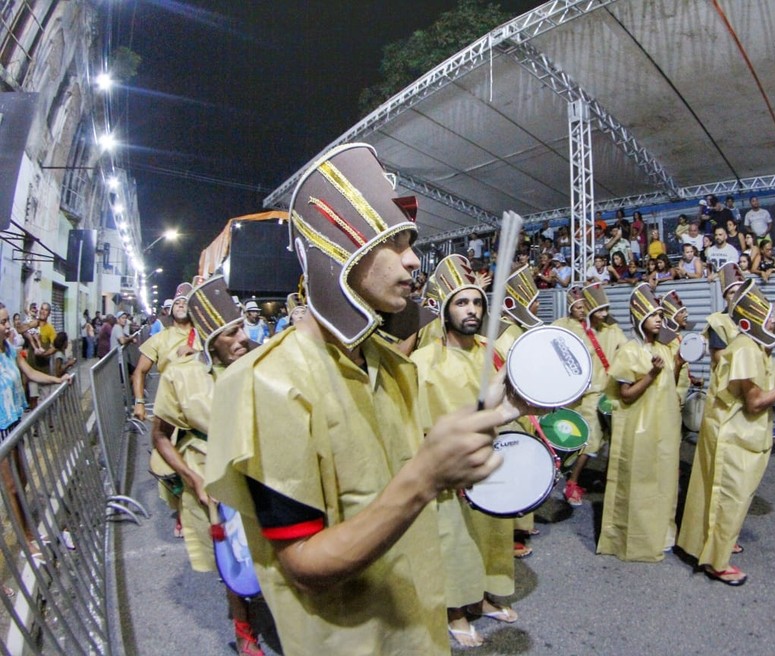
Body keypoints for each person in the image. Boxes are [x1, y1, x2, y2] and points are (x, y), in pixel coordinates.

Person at [205, 143, 519, 655]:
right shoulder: (269, 382)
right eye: (393, 243)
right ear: (338, 252)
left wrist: (498, 413)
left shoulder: (389, 361)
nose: (414, 260)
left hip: (415, 622)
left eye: (411, 243)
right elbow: (304, 563)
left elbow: (410, 459)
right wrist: (425, 479)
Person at [151, 276, 265, 655]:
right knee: (233, 560)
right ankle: (243, 627)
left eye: (242, 330)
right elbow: (161, 437)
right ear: (209, 338)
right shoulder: (180, 376)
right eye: (230, 334)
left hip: (262, 472)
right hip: (212, 481)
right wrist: (193, 478)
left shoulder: (259, 363)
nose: (241, 340)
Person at [411, 255, 517, 648]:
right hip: (449, 469)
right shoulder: (424, 361)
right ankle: (455, 609)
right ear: (444, 310)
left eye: (476, 303)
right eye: (461, 303)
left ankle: (483, 595)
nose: (472, 310)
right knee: (454, 539)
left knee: (490, 532)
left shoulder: (493, 352)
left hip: (492, 459)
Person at [677, 280, 775, 585]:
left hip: (740, 434)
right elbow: (755, 402)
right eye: (769, 316)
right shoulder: (746, 349)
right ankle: (717, 563)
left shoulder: (752, 345)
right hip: (735, 436)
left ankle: (712, 547)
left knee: (723, 497)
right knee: (729, 499)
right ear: (752, 319)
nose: (774, 320)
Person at [597, 283, 683, 562]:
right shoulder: (629, 351)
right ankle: (631, 541)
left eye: (661, 314)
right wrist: (650, 375)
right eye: (654, 314)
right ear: (639, 317)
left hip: (664, 429)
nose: (660, 319)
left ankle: (661, 535)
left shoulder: (664, 348)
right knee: (638, 486)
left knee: (664, 484)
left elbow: (669, 381)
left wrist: (678, 362)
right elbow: (627, 394)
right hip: (639, 429)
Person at [0, 303, 73, 565]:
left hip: (14, 424)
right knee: (11, 487)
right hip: (0, 430)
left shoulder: (8, 350)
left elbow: (30, 372)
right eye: (2, 323)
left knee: (22, 481)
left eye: (7, 321)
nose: (7, 327)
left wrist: (57, 380)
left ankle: (26, 528)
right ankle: (26, 538)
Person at [552, 284, 626, 506]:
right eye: (576, 306)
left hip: (599, 393)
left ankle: (573, 480)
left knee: (595, 439)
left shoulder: (609, 329)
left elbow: (627, 349)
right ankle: (566, 476)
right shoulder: (564, 326)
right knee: (570, 435)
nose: (581, 310)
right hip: (572, 393)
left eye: (584, 305)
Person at [492, 263, 543, 558]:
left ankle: (520, 525)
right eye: (533, 300)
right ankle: (510, 534)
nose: (537, 305)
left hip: (516, 411)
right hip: (509, 412)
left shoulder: (511, 329)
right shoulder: (509, 333)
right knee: (511, 470)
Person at [131, 284, 198, 422]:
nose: (180, 305)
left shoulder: (204, 336)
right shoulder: (159, 338)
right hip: (169, 405)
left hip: (199, 404)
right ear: (171, 310)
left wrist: (197, 354)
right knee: (164, 441)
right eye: (177, 303)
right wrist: (139, 403)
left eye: (185, 303)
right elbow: (139, 371)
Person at [704, 264, 744, 369]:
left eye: (741, 292)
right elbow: (719, 359)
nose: (736, 296)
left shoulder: (753, 319)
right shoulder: (717, 321)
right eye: (732, 293)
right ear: (725, 297)